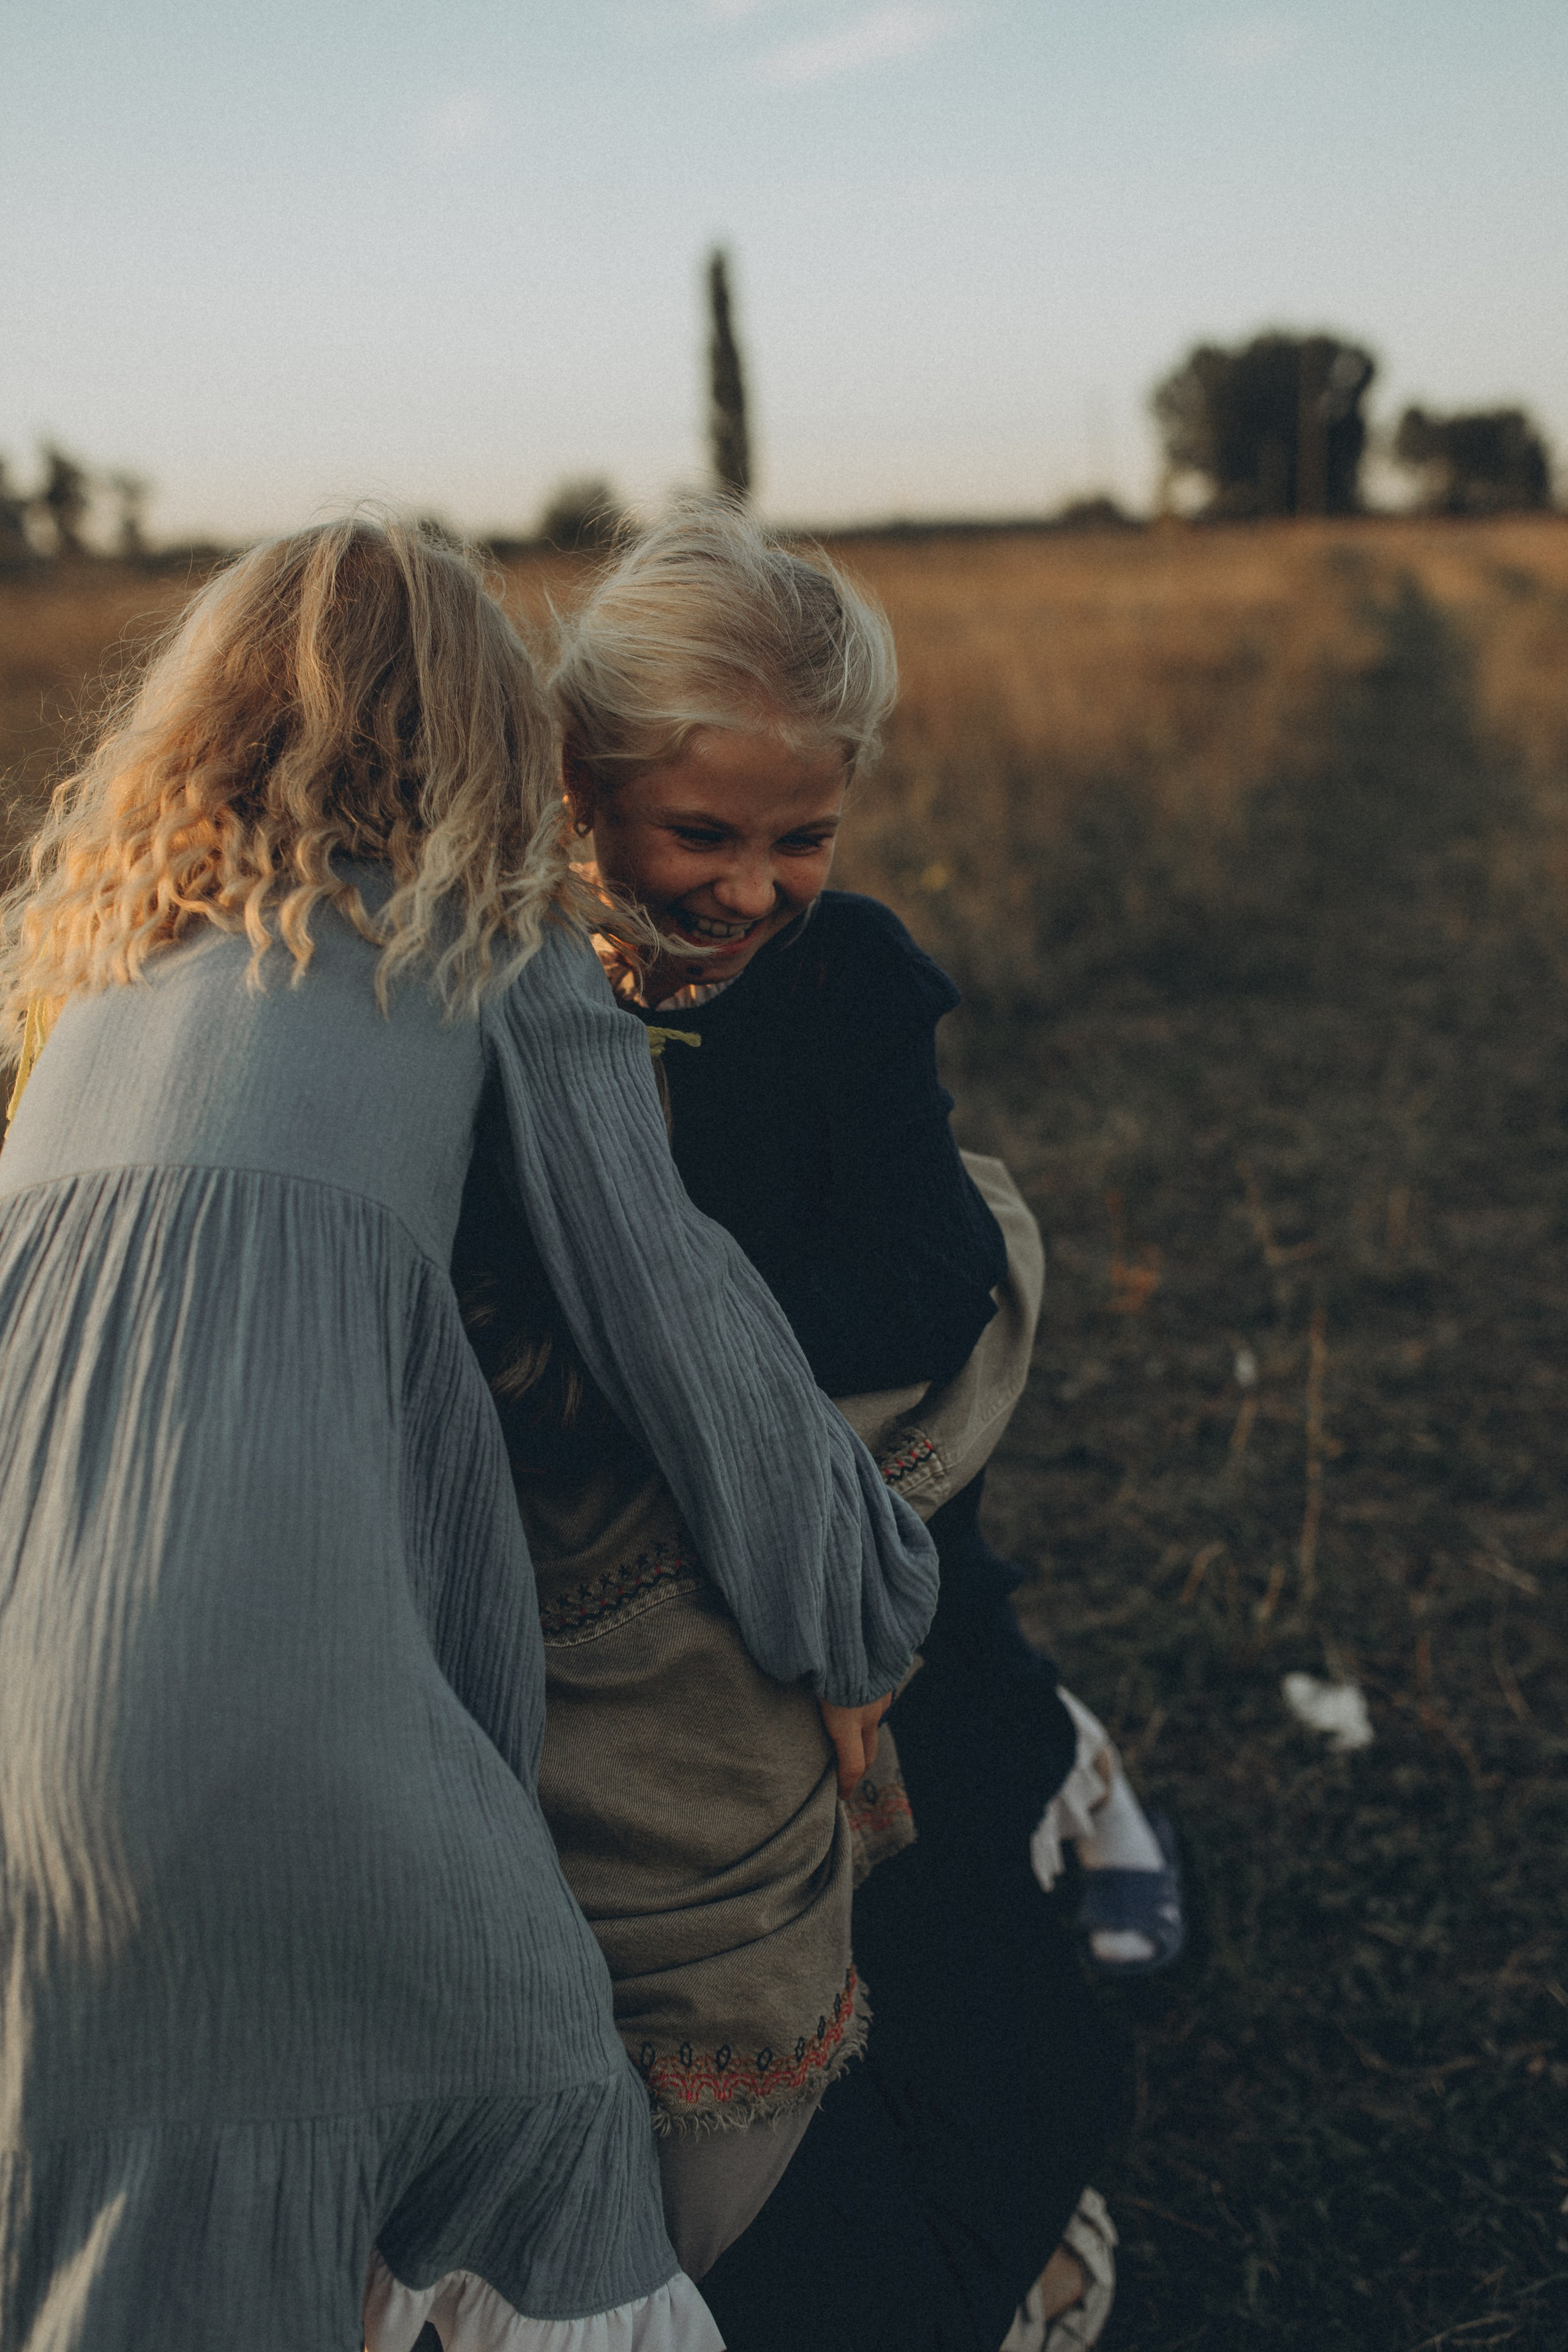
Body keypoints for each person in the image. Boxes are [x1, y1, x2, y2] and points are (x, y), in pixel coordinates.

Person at [0, 515, 938, 2352]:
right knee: (553, 2192)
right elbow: (689, 1346)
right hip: (291, 1742)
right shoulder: (490, 938)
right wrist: (869, 1596)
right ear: (517, 743)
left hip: (23, 1751)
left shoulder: (97, 975)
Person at [540, 503, 1185, 2351]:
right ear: (583, 789)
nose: (750, 886)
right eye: (702, 834)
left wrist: (652, 1349)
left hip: (879, 1576)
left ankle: (1030, 2134)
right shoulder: (522, 1001)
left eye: (800, 837)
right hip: (653, 1631)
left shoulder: (849, 984)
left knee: (950, 1903)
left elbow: (925, 1275)